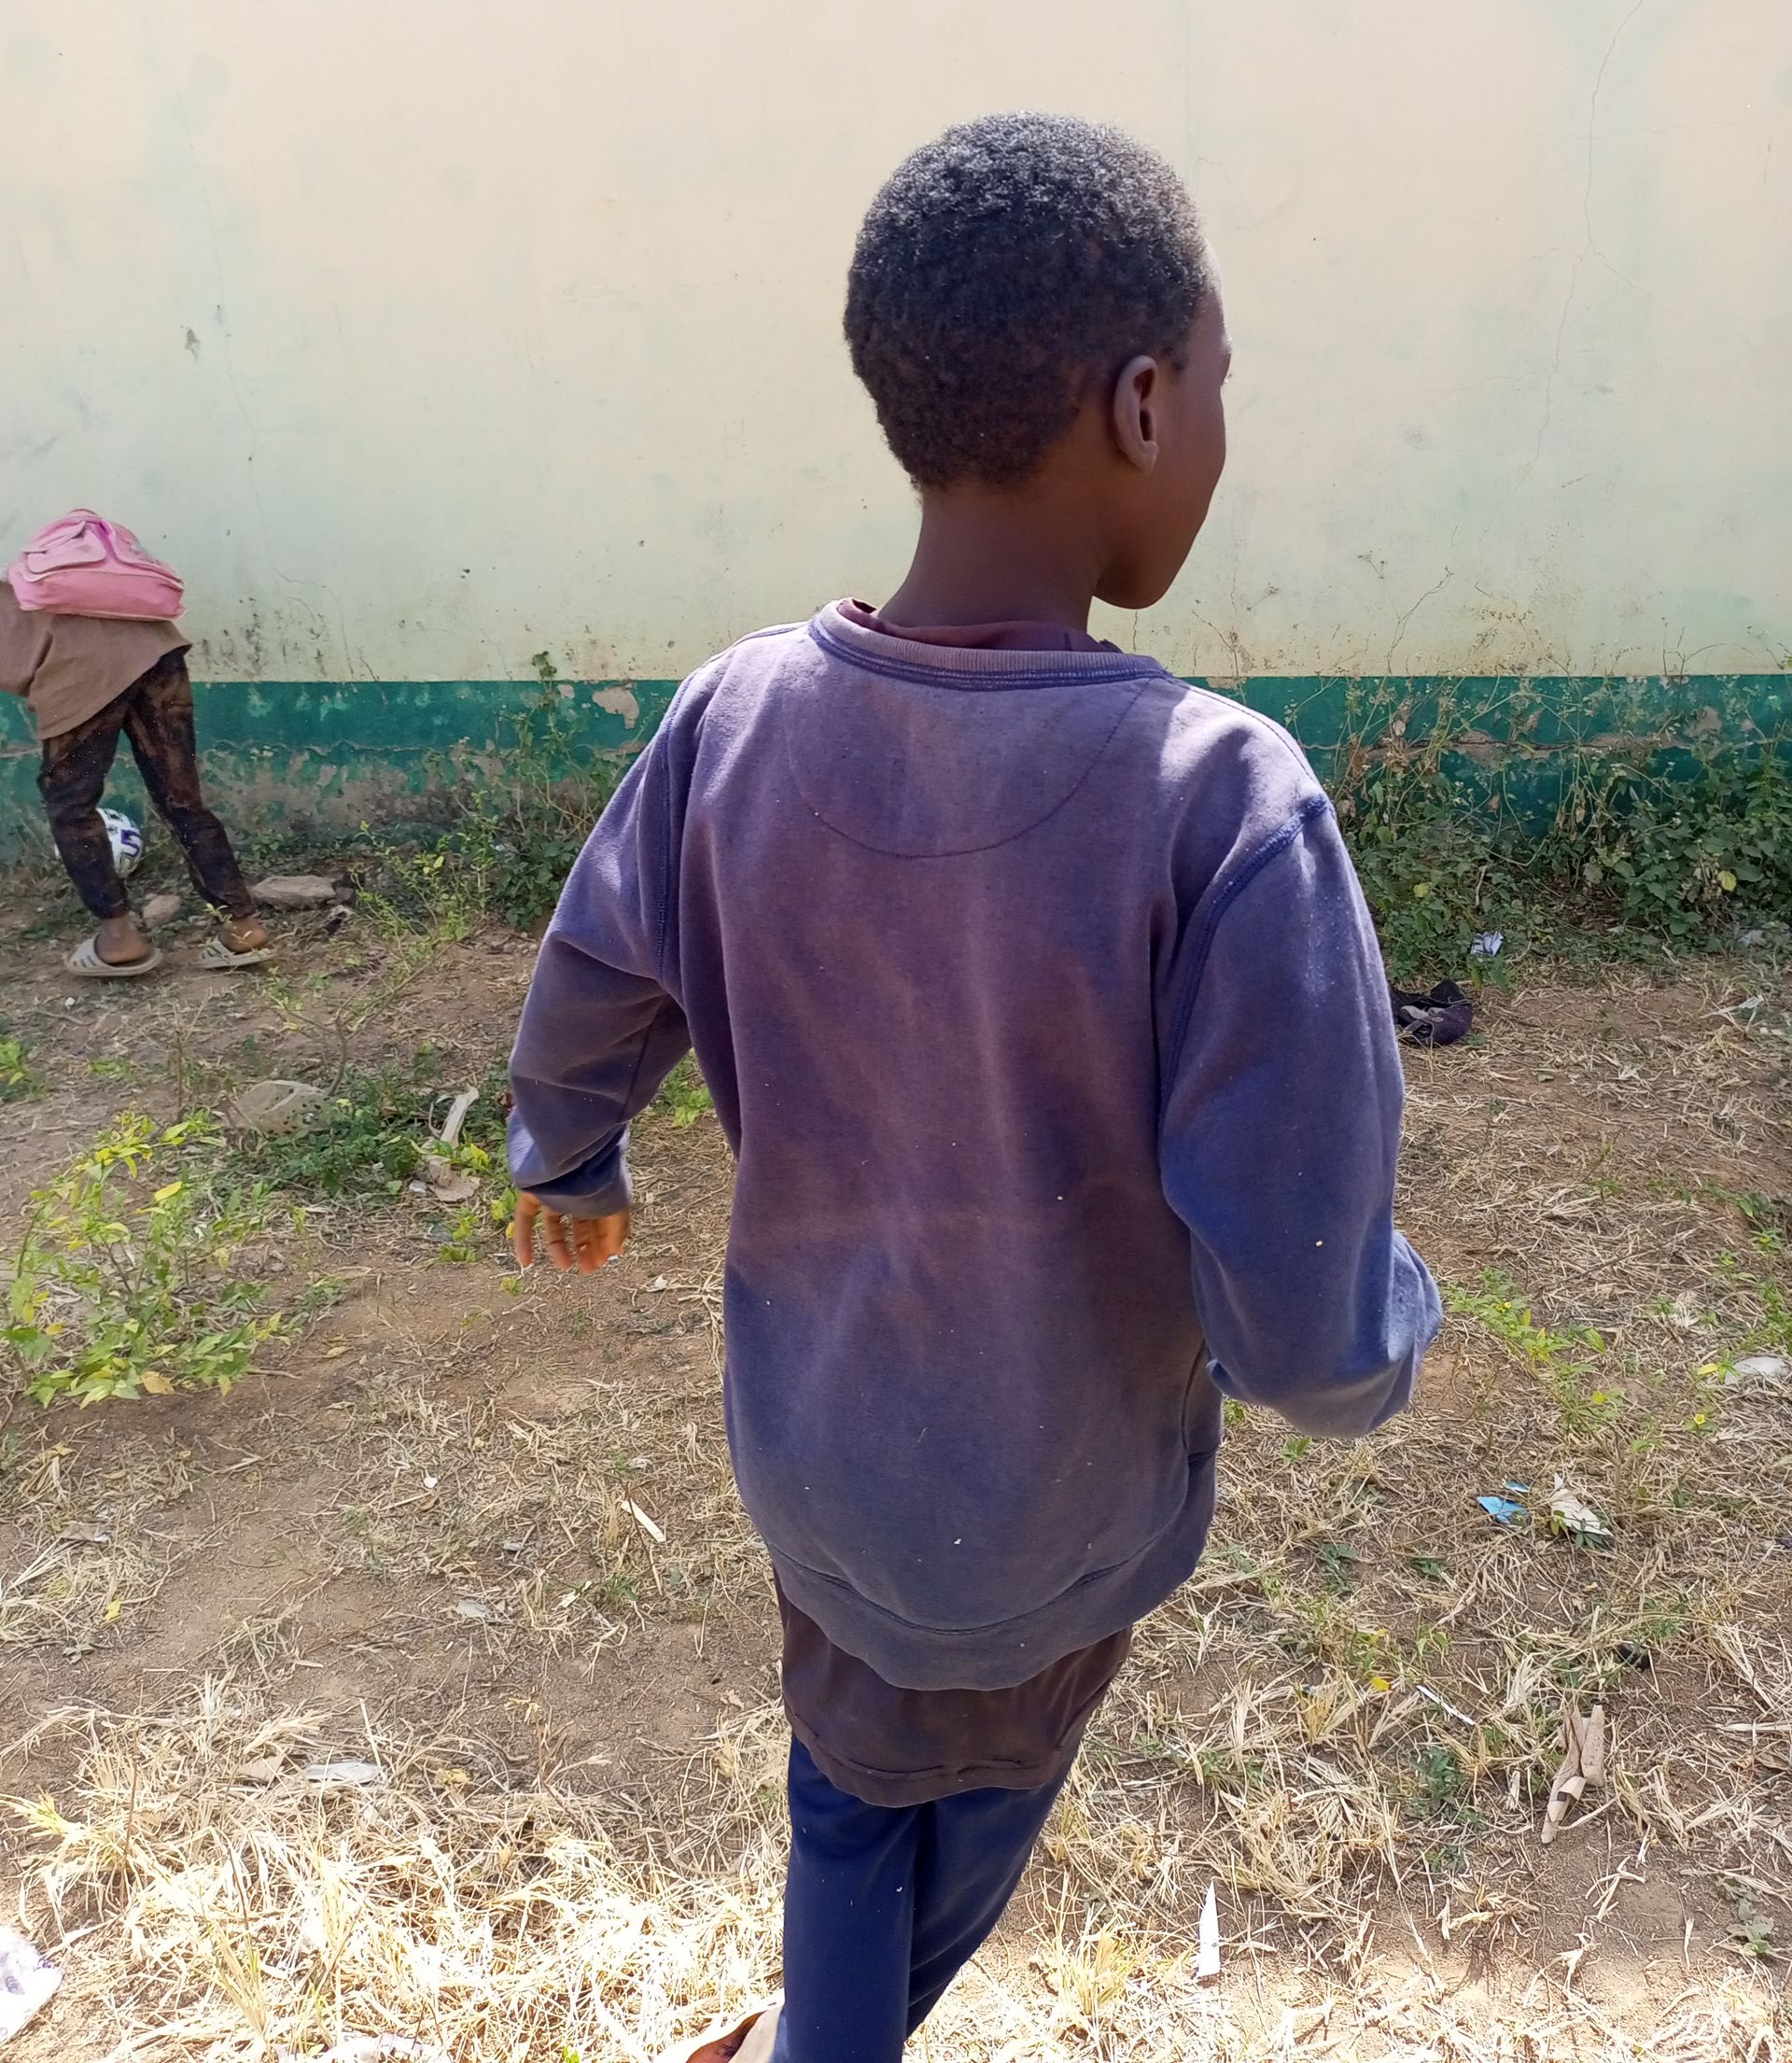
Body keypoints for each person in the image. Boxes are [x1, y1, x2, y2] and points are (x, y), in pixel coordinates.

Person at [506, 114, 1441, 2063]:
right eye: (1219, 390)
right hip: (1043, 1517)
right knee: (944, 1812)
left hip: (820, 1462)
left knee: (857, 1786)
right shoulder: (1222, 803)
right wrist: (1380, 1343)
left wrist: (569, 1150)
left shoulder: (736, 713)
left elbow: (602, 955)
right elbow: (1303, 1305)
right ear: (1144, 401)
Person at [0, 576, 270, 976]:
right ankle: (243, 926)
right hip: (155, 647)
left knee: (70, 805)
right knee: (180, 797)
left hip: (80, 664)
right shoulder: (35, 578)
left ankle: (118, 937)